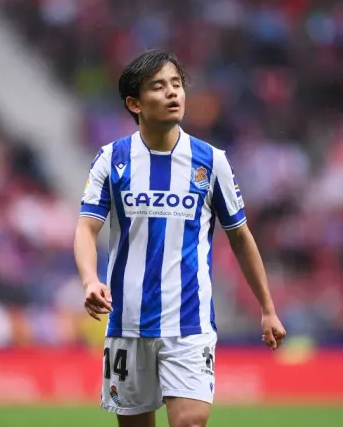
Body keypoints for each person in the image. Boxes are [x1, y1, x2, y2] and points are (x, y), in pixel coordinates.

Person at [74, 49, 286, 427]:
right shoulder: (111, 159)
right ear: (134, 103)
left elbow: (240, 236)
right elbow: (86, 228)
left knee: (190, 422)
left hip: (190, 321)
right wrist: (91, 279)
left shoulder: (211, 161)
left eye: (177, 84)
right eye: (159, 86)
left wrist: (267, 307)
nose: (173, 93)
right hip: (128, 323)